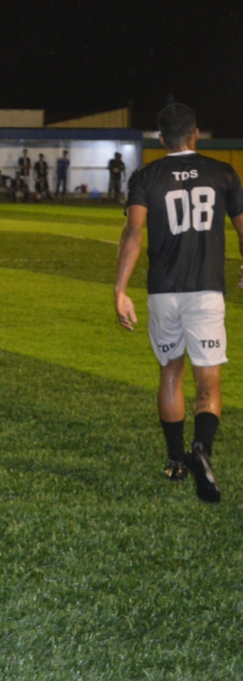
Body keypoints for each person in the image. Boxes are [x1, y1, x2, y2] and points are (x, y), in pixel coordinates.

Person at [114, 103, 243, 504]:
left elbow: (133, 232)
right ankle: (200, 449)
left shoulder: (146, 176)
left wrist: (120, 290)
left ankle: (175, 462)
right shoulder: (223, 172)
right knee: (208, 379)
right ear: (196, 133)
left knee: (171, 372)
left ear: (160, 139)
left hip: (163, 291)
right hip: (206, 289)